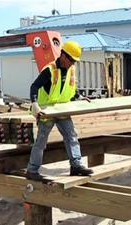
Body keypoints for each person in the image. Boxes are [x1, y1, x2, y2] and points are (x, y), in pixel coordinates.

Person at [27, 40, 94, 181]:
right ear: (63, 55)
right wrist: (35, 105)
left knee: (72, 136)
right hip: (47, 112)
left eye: (74, 61)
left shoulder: (71, 70)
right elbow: (34, 87)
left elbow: (69, 89)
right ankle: (32, 171)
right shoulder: (49, 70)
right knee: (41, 142)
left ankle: (76, 166)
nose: (72, 63)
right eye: (71, 60)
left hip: (62, 110)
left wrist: (79, 96)